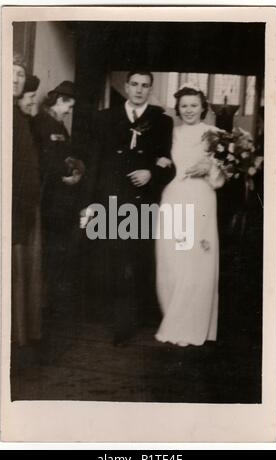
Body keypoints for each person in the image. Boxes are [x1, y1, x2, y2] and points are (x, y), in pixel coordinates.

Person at [81, 71, 173, 345]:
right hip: (111, 197)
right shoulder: (106, 117)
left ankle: (130, 320)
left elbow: (167, 161)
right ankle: (114, 318)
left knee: (137, 259)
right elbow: (95, 161)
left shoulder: (161, 121)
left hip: (142, 201)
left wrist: (151, 174)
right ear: (126, 86)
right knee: (111, 259)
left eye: (145, 86)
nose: (139, 90)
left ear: (150, 89)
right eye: (135, 84)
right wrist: (89, 202)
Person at [155, 86, 225, 347]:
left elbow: (223, 176)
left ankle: (192, 322)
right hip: (173, 195)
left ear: (202, 107)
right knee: (172, 258)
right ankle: (172, 315)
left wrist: (211, 167)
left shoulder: (215, 134)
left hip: (201, 198)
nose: (188, 110)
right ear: (178, 108)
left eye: (193, 105)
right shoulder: (171, 134)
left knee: (196, 258)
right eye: (184, 105)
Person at [32, 81, 85, 322]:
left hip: (63, 200)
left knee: (59, 252)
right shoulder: (41, 123)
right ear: (58, 101)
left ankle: (52, 305)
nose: (69, 111)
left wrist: (76, 171)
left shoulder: (60, 126)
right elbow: (43, 162)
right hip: (50, 198)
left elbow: (68, 155)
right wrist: (64, 174)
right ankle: (44, 306)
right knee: (49, 252)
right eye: (68, 106)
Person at [12, 54, 42, 365]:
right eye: (11, 73)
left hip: (19, 209)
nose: (17, 79)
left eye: (21, 75)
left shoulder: (16, 115)